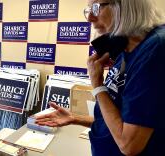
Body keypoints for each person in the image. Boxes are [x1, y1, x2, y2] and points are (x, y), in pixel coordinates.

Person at [36, 0, 165, 155]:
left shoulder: (156, 50)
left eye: (96, 8)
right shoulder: (128, 47)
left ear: (125, 5)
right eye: (89, 9)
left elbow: (128, 145)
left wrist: (97, 84)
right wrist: (75, 118)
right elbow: (123, 120)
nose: (89, 17)